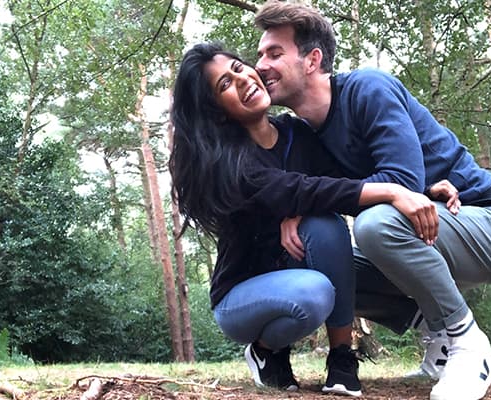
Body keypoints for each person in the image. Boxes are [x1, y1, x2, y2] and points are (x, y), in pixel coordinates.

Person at [253, 2, 491, 400]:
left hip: (490, 226)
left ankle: (468, 343)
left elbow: (402, 184)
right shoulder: (307, 134)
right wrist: (295, 209)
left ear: (312, 60)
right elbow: (315, 190)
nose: (260, 64)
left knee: (376, 225)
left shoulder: (368, 88)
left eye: (274, 53)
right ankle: (440, 340)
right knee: (320, 261)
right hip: (432, 235)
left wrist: (328, 199)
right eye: (260, 54)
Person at [169, 42, 445, 396]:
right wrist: (394, 191)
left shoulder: (296, 134)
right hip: (241, 296)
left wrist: (422, 189)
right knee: (314, 293)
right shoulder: (232, 164)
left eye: (238, 68)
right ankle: (266, 351)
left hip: (297, 269)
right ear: (218, 111)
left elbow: (341, 181)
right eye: (224, 84)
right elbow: (299, 189)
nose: (241, 80)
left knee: (325, 225)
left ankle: (342, 357)